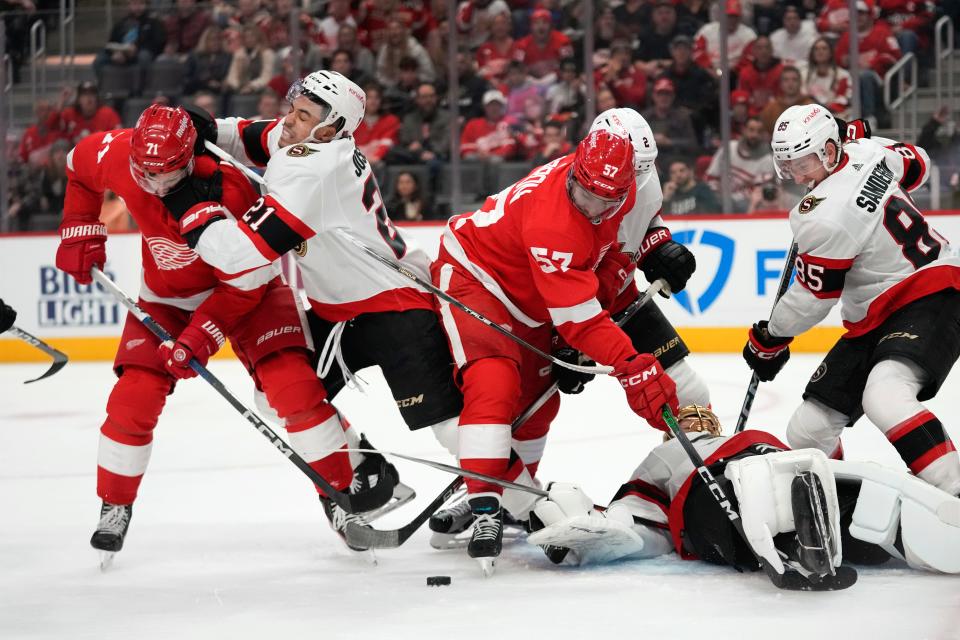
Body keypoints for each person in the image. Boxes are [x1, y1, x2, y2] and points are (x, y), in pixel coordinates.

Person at [56, 105, 385, 563]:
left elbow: (244, 284)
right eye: (144, 174)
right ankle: (115, 503)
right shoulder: (118, 154)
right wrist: (79, 229)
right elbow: (77, 166)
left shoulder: (236, 189)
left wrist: (200, 337)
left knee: (293, 389)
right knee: (133, 397)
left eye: (166, 176)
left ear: (189, 157)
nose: (154, 186)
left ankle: (341, 496)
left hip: (250, 292)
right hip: (166, 299)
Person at [161, 70, 465, 537]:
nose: (290, 120)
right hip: (335, 312)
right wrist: (209, 128)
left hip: (393, 306)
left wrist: (184, 202)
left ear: (330, 129)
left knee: (446, 425)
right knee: (279, 392)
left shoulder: (312, 170)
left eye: (303, 115)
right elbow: (254, 136)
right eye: (294, 108)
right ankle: (368, 472)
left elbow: (241, 256)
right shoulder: (310, 141)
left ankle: (519, 500)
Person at [428, 127, 681, 572]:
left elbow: (593, 281)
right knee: (494, 383)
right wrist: (630, 364)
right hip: (476, 278)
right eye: (585, 194)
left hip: (534, 298)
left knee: (539, 407)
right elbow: (578, 320)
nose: (593, 207)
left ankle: (507, 492)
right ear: (574, 172)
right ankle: (488, 503)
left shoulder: (614, 195)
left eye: (606, 201)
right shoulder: (555, 219)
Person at [741, 103, 960, 498]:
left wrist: (771, 336)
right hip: (876, 314)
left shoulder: (822, 217)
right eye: (788, 165)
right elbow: (919, 164)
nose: (795, 175)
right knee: (808, 431)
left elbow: (813, 298)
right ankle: (842, 508)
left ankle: (955, 489)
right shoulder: (867, 152)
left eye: (803, 163)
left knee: (886, 395)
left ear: (828, 149)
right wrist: (870, 143)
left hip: (930, 292)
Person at [529, 406, 960, 578]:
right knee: (761, 494)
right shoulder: (665, 458)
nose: (696, 425)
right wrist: (596, 531)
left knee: (853, 517)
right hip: (716, 496)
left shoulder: (732, 439)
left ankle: (889, 529)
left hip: (762, 473)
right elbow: (639, 514)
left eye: (702, 420)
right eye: (690, 421)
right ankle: (806, 530)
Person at [93, 0, 167, 94]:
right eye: (134, 4)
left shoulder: (153, 22)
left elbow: (158, 42)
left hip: (140, 52)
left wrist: (136, 49)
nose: (137, 7)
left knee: (144, 57)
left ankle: (139, 91)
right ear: (129, 5)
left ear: (145, 5)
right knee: (99, 60)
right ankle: (103, 88)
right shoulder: (121, 23)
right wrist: (114, 53)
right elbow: (111, 42)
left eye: (140, 3)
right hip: (121, 52)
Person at [705, 116, 774, 212]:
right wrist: (717, 194)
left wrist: (730, 200)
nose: (754, 135)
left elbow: (757, 191)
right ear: (744, 130)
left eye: (759, 132)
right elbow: (711, 177)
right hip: (717, 197)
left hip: (743, 203)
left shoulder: (767, 160)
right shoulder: (728, 148)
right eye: (751, 130)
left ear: (764, 134)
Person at [798, 37, 853, 121]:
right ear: (812, 54)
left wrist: (828, 108)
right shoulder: (803, 74)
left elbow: (845, 99)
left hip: (838, 116)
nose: (820, 51)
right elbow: (803, 96)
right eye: (816, 49)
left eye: (824, 48)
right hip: (812, 117)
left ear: (831, 53)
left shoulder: (843, 75)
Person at [54, 82, 122, 146]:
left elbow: (119, 136)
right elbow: (52, 127)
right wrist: (61, 101)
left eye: (92, 94)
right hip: (73, 154)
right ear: (78, 99)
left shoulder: (108, 113)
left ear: (97, 99)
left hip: (101, 153)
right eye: (84, 95)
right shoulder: (70, 113)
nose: (89, 98)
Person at [460, 90, 516, 161]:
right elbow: (465, 147)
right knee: (470, 158)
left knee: (496, 160)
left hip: (500, 164)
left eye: (497, 104)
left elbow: (511, 148)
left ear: (502, 106)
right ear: (484, 107)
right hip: (476, 162)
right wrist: (479, 155)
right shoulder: (473, 124)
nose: (494, 108)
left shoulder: (509, 123)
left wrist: (491, 155)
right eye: (490, 105)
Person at [758, 65, 814, 135]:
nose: (790, 84)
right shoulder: (771, 109)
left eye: (794, 80)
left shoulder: (810, 107)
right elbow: (764, 133)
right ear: (780, 84)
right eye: (786, 80)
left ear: (800, 83)